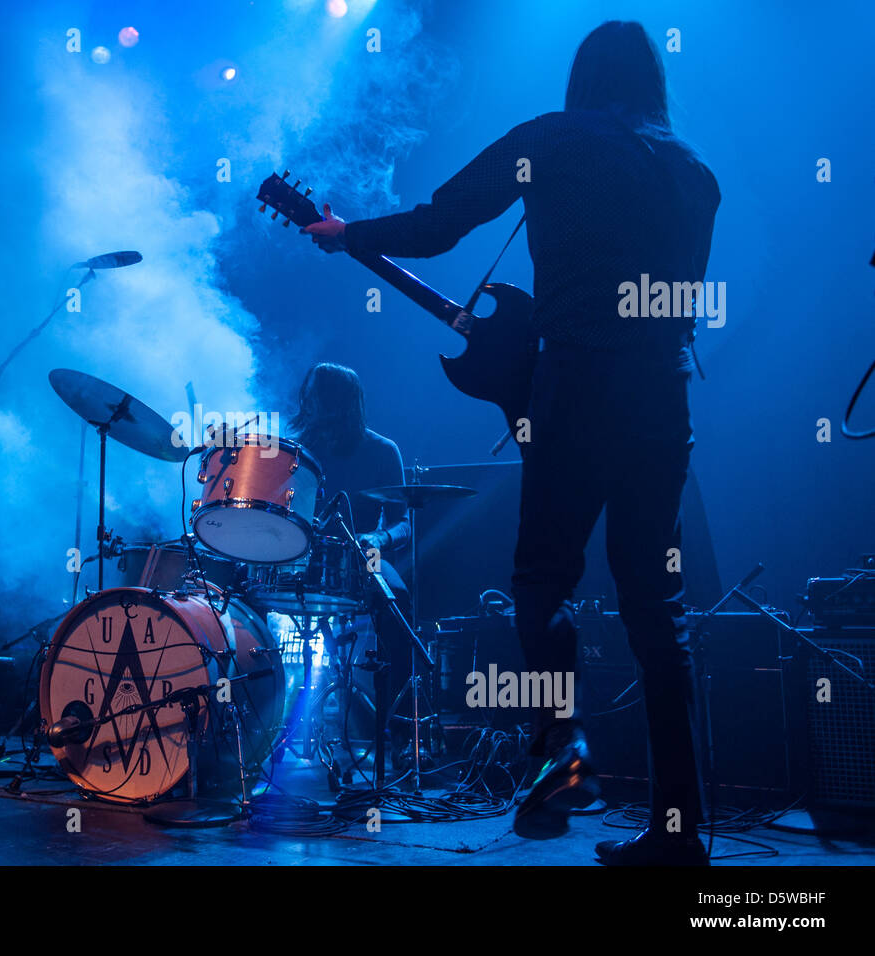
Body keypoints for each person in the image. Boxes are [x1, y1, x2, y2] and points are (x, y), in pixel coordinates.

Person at [302, 21, 719, 865]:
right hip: (662, 397)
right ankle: (680, 833)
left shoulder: (548, 140)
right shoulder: (694, 172)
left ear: (581, 77)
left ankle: (564, 748)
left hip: (577, 388)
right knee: (656, 607)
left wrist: (349, 234)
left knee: (541, 580)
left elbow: (437, 225)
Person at [289, 362, 419, 768]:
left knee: (398, 604)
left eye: (314, 396)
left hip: (363, 554)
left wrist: (378, 539)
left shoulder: (382, 450)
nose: (306, 403)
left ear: (337, 402)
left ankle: (403, 733)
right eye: (306, 396)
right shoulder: (296, 450)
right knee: (247, 595)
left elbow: (403, 523)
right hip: (301, 554)